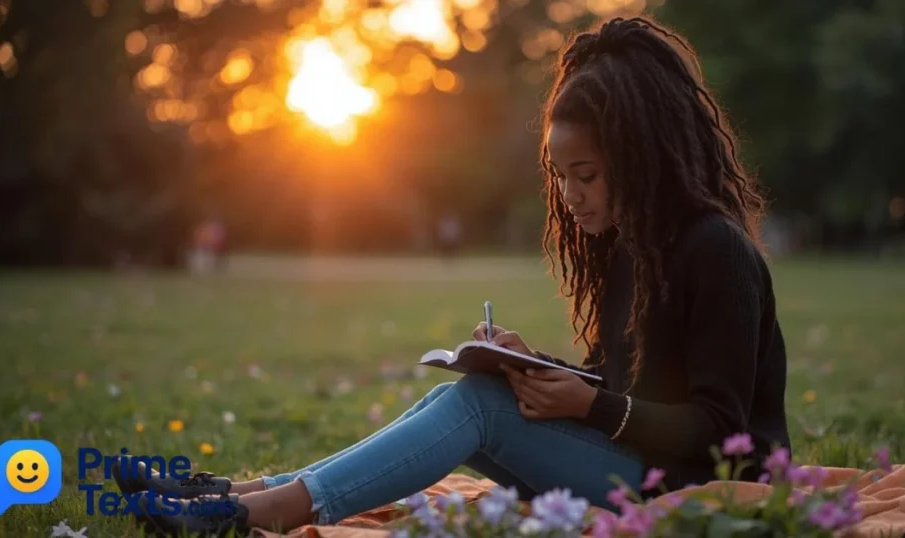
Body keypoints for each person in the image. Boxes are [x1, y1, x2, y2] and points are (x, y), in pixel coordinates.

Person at [119, 15, 790, 536]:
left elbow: (714, 428)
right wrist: (538, 369)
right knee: (478, 390)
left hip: (694, 486)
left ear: (644, 160)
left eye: (585, 176)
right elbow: (626, 392)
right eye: (560, 179)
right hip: (636, 464)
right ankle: (241, 494)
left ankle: (254, 514)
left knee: (476, 406)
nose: (571, 195)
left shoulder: (717, 254)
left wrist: (586, 404)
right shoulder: (632, 249)